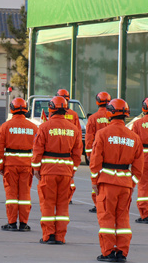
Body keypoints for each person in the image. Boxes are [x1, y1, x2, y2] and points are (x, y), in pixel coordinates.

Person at [90, 98, 143, 262]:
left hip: (107, 183)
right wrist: (131, 182)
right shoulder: (134, 137)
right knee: (123, 218)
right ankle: (121, 253)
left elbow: (95, 161)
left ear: (110, 113)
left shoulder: (102, 134)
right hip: (125, 185)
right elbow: (138, 166)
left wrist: (94, 181)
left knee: (107, 218)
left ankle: (108, 252)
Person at [32, 95, 82, 245]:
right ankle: (60, 236)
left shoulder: (44, 127)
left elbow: (38, 150)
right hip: (66, 172)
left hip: (48, 171)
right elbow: (77, 154)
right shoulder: (73, 129)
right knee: (62, 205)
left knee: (48, 204)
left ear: (51, 109)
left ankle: (48, 235)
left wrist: (36, 168)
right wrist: (72, 170)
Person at [0, 97, 38, 231]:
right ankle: (24, 223)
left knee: (11, 195)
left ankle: (12, 223)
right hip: (27, 165)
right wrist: (36, 166)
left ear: (12, 109)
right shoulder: (33, 127)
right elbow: (38, 148)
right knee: (25, 194)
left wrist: (0, 165)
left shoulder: (6, 126)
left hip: (10, 164)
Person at [85, 91, 111, 212]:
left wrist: (89, 154)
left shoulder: (93, 118)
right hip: (111, 153)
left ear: (97, 102)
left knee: (96, 177)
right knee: (109, 178)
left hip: (97, 152)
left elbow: (89, 137)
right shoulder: (112, 116)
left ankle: (98, 204)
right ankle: (107, 202)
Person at [56, 89, 82, 202]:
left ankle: (61, 194)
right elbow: (78, 133)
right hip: (70, 146)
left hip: (56, 147)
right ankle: (68, 195)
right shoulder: (74, 114)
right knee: (68, 172)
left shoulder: (53, 113)